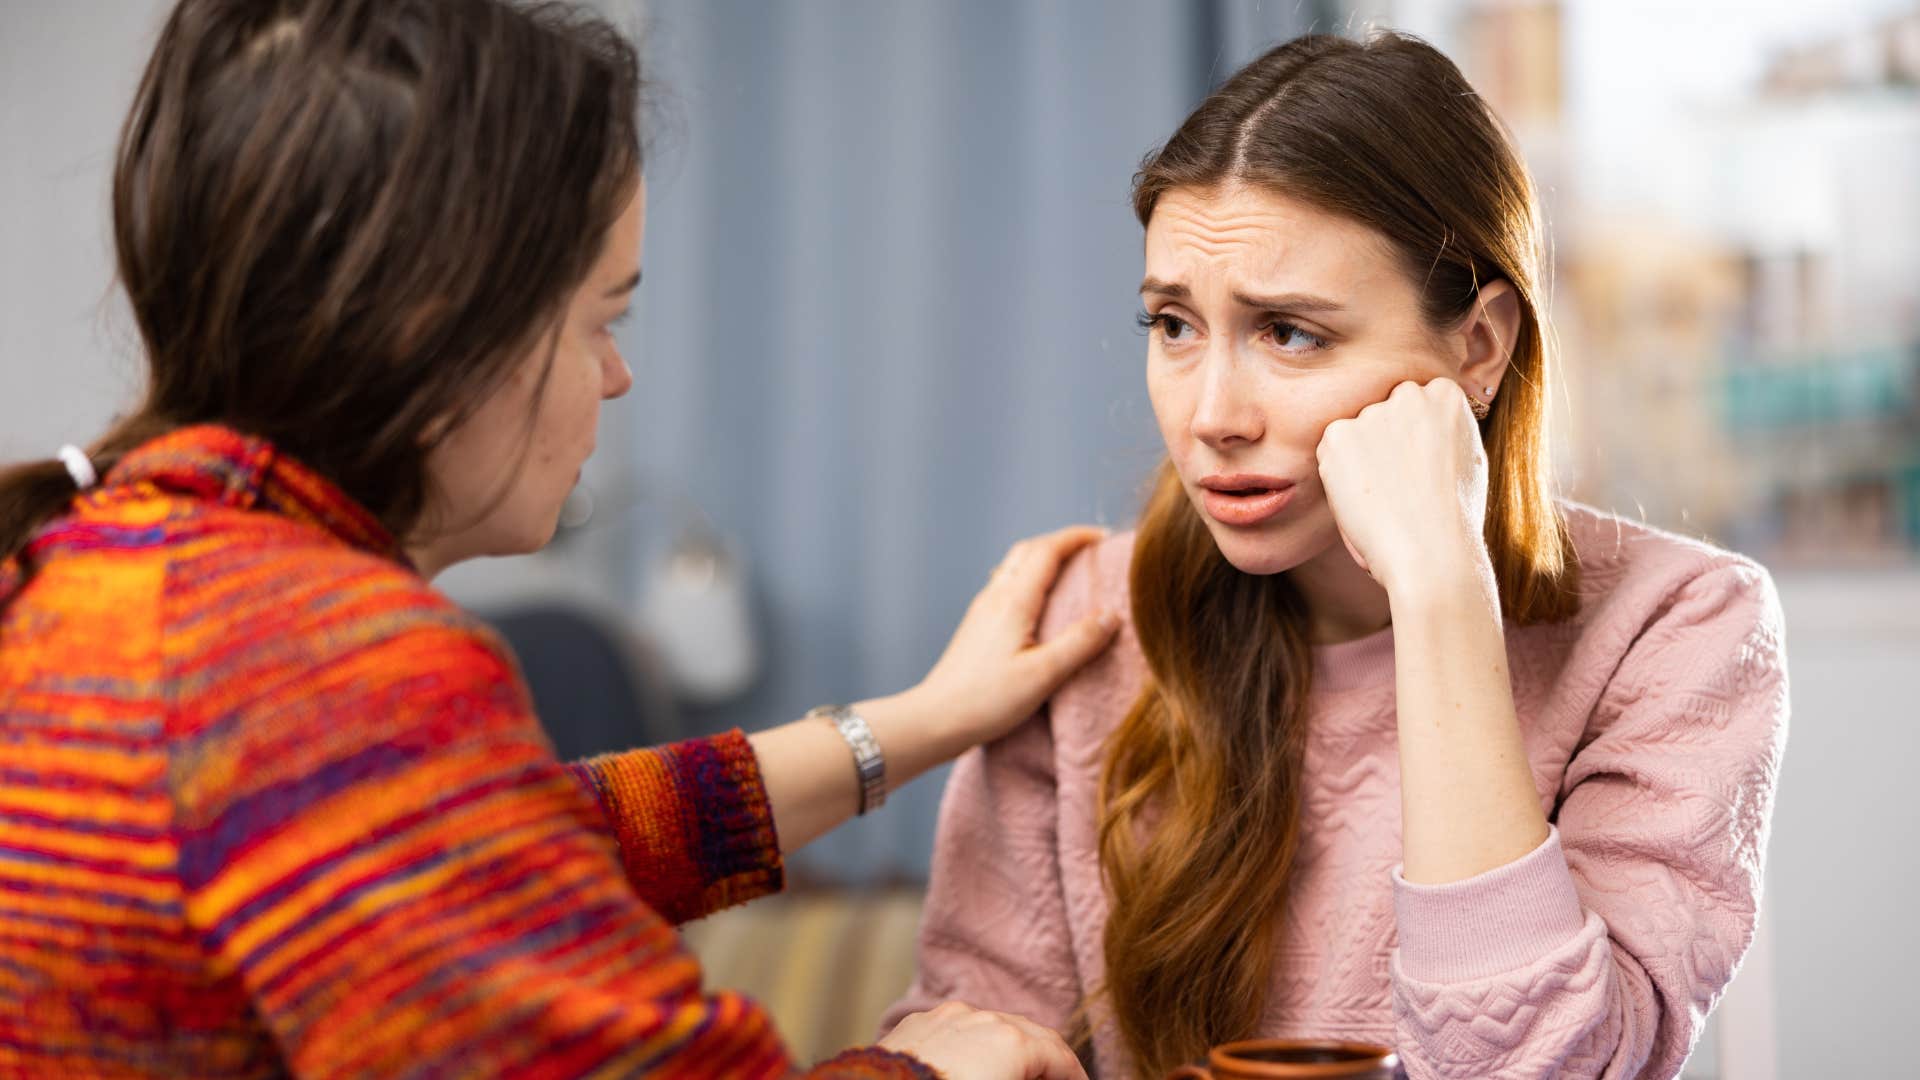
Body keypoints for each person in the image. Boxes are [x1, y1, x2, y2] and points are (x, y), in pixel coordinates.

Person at [0, 2, 1116, 1077]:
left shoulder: (107, 576)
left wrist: (919, 722)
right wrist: (923, 1069)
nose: (618, 377)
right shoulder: (313, 668)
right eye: (603, 319)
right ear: (436, 325)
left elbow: (524, 840)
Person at [884, 31, 1789, 1080]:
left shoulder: (1677, 626)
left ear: (1479, 347)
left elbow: (1545, 1070)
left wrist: (1442, 591)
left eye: (1291, 334)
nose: (1211, 416)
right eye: (1172, 323)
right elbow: (964, 1045)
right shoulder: (1083, 617)